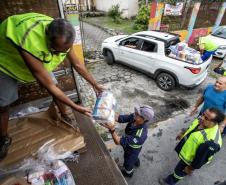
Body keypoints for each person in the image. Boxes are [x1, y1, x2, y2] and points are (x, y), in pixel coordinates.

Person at [0, 12, 104, 159]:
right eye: (55, 51)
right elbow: (48, 85)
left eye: (62, 52)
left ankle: (65, 115)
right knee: (3, 105)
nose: (57, 56)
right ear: (46, 38)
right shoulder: (29, 40)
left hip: (36, 57)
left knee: (57, 89)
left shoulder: (63, 34)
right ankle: (3, 138)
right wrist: (76, 107)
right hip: (5, 62)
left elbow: (78, 64)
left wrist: (95, 85)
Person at [159, 108, 225, 185]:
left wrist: (190, 168)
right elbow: (191, 127)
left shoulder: (211, 142)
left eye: (206, 118)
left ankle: (169, 181)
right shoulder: (201, 120)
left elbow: (200, 159)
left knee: (179, 171)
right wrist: (182, 133)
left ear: (215, 123)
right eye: (203, 114)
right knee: (183, 169)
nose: (202, 117)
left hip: (189, 160)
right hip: (188, 151)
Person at [101, 105, 154, 178]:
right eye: (136, 112)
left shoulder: (140, 136)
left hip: (132, 149)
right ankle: (136, 162)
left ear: (144, 120)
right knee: (134, 158)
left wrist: (112, 129)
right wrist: (108, 114)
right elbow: (120, 118)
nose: (135, 113)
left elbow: (118, 142)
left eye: (138, 114)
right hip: (128, 143)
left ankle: (129, 173)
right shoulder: (134, 117)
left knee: (128, 162)